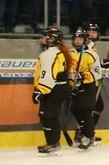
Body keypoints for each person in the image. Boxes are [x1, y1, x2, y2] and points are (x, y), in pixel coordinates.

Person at [32, 26, 69, 154]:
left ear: (51, 39)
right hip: (58, 88)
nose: (41, 38)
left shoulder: (48, 54)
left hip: (52, 89)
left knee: (48, 117)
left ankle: (52, 143)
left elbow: (48, 75)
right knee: (50, 117)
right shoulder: (57, 52)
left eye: (44, 36)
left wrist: (40, 91)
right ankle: (53, 142)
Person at [64, 28, 101, 150]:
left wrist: (83, 75)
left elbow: (97, 74)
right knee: (75, 109)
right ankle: (84, 131)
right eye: (76, 39)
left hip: (88, 86)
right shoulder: (69, 53)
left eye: (80, 39)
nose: (78, 41)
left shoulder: (91, 54)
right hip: (74, 86)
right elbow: (66, 69)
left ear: (85, 41)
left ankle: (89, 136)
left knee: (85, 111)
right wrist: (70, 78)